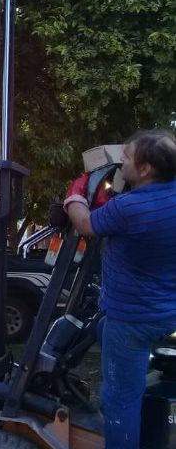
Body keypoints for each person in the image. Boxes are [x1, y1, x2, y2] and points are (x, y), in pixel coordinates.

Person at [63, 129, 176, 448]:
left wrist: (74, 195)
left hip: (131, 321)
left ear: (145, 170)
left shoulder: (128, 208)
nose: (120, 162)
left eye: (126, 158)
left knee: (119, 402)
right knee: (98, 328)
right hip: (167, 313)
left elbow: (85, 224)